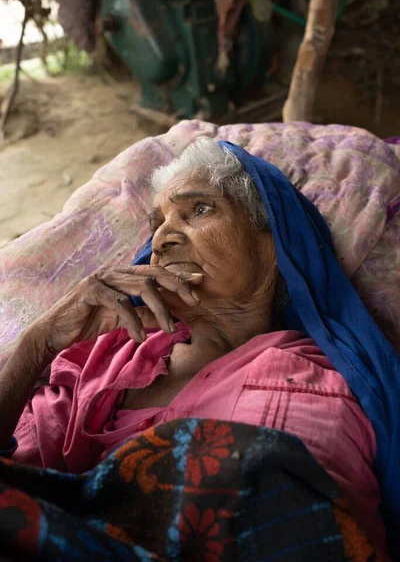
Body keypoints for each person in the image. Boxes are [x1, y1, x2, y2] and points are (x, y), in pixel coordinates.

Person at [0, 137, 399, 558]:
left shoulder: (309, 385)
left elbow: (279, 517)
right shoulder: (100, 359)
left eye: (200, 210)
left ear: (274, 245)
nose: (163, 239)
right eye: (157, 224)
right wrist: (37, 344)